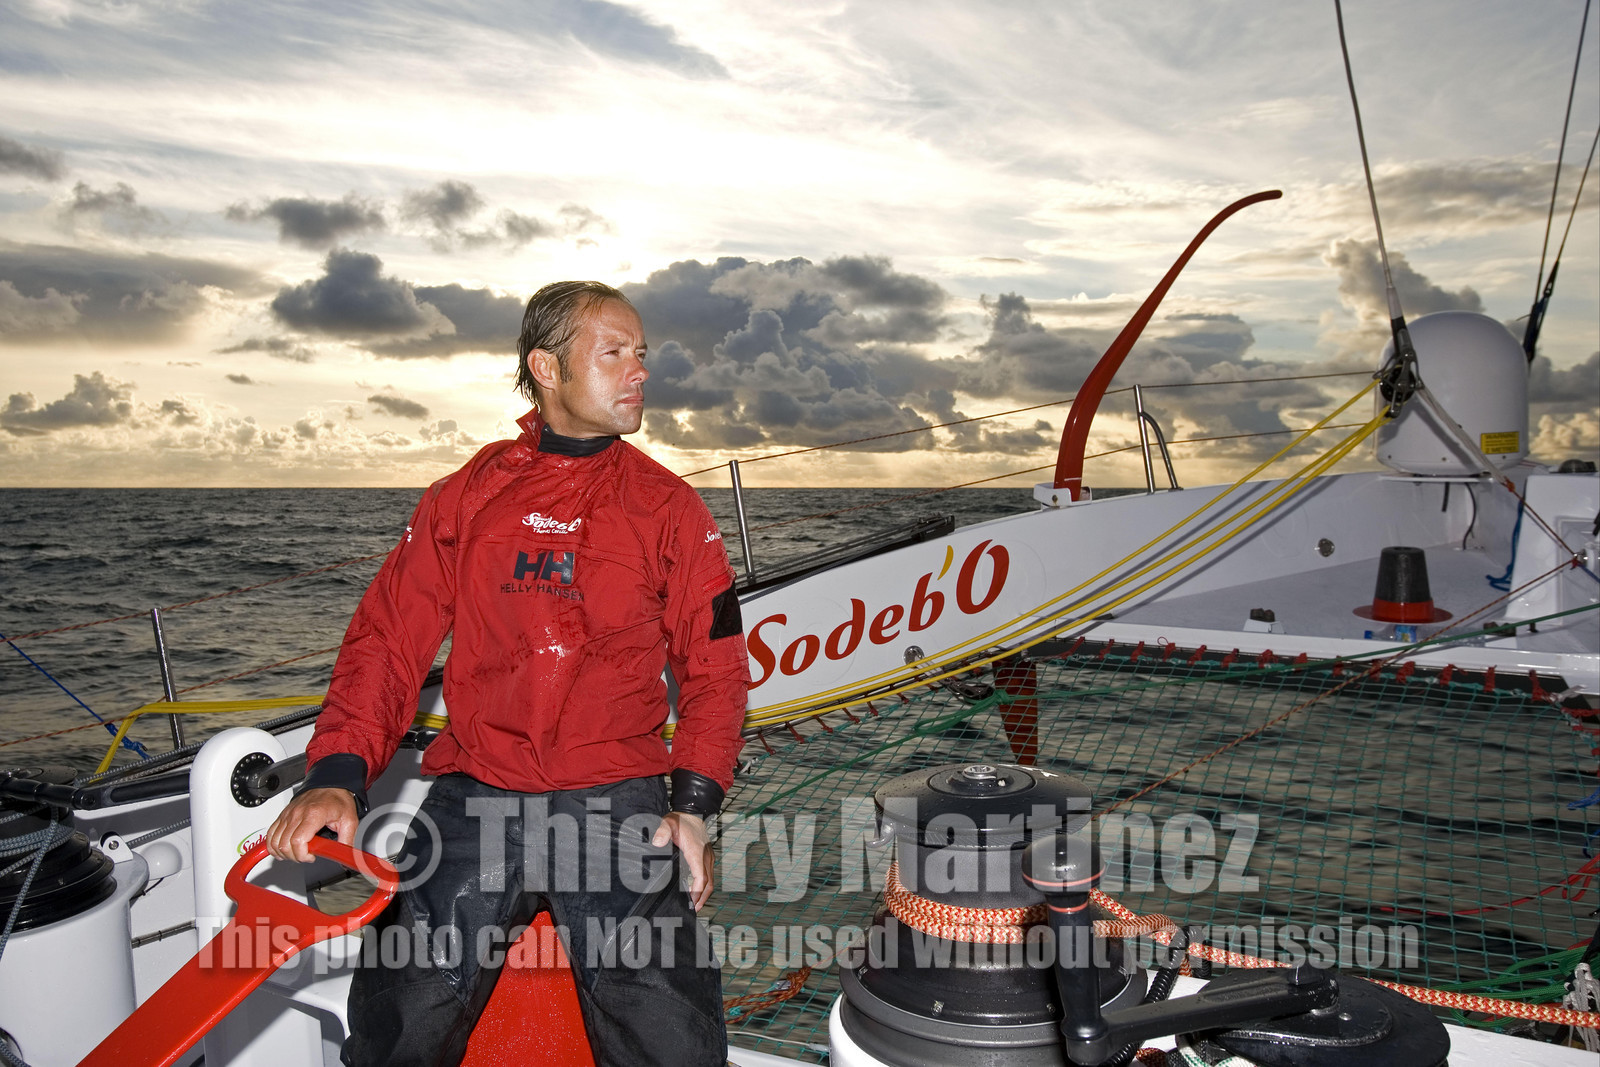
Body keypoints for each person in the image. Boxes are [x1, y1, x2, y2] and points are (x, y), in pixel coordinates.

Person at [265, 281, 749, 1067]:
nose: (639, 372)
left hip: (615, 792)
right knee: (401, 1006)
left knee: (670, 1029)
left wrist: (692, 806)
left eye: (642, 354)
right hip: (476, 788)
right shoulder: (466, 497)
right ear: (547, 367)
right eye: (615, 353)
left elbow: (717, 670)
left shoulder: (671, 510)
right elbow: (388, 639)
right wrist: (338, 774)